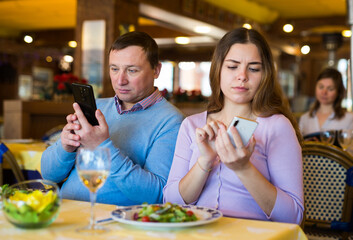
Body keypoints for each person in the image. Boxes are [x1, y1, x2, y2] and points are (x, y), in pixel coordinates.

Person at [163, 28, 304, 224]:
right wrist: (205, 162)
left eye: (254, 68)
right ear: (218, 69)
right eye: (232, 66)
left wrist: (243, 168)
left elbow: (293, 217)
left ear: (265, 75)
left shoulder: (277, 127)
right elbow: (170, 203)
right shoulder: (192, 125)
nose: (242, 76)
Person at [41, 31, 184, 206]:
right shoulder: (97, 107)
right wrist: (65, 147)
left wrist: (101, 147)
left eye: (132, 70)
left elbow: (156, 194)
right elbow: (48, 174)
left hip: (114, 223)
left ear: (156, 70)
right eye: (114, 69)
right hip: (66, 213)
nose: (120, 80)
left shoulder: (172, 122)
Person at [299, 67, 353, 137]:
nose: (324, 92)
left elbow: (351, 147)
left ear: (338, 92)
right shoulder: (305, 118)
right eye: (321, 87)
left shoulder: (349, 118)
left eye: (330, 89)